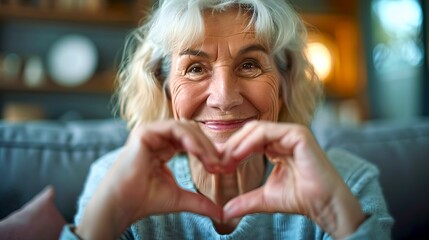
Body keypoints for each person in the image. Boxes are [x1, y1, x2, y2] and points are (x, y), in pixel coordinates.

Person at [61, 0, 393, 239]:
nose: (224, 98)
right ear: (164, 90)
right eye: (194, 68)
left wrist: (338, 218)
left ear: (283, 85)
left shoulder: (348, 181)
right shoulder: (114, 180)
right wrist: (104, 225)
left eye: (250, 65)